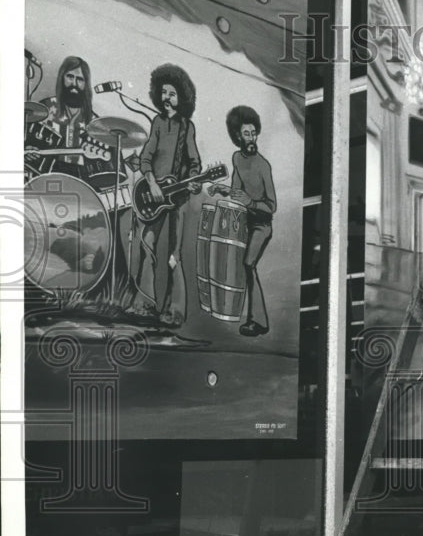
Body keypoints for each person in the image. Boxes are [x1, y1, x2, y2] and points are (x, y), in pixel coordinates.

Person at [128, 64, 202, 327]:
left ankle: (174, 312)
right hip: (151, 196)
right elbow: (145, 159)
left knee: (174, 255)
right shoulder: (157, 123)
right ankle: (144, 304)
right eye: (163, 92)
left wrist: (194, 182)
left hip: (178, 198)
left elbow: (195, 163)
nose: (166, 97)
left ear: (181, 97)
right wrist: (152, 183)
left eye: (172, 93)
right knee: (146, 246)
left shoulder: (187, 127)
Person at [217, 105, 276, 336]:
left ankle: (259, 321)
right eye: (246, 134)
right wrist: (222, 191)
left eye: (254, 133)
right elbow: (235, 191)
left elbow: (272, 206)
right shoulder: (236, 159)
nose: (252, 138)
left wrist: (250, 203)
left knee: (248, 264)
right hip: (244, 221)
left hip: (262, 224)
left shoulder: (263, 165)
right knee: (234, 260)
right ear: (237, 136)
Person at [25, 56, 113, 183]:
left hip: (81, 180)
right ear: (62, 78)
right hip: (45, 177)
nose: (74, 84)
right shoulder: (44, 108)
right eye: (70, 77)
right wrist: (27, 150)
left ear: (86, 84)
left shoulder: (93, 121)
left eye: (80, 79)